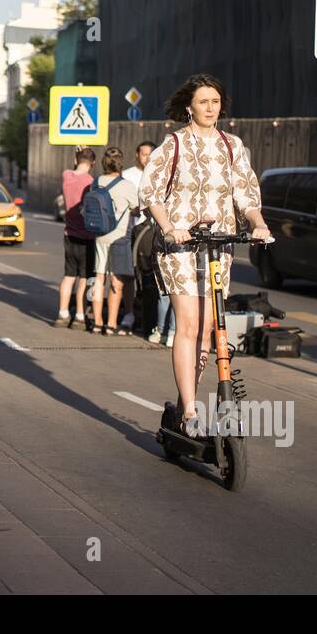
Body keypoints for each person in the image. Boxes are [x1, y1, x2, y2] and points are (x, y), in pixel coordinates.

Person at [140, 74, 272, 439]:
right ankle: (189, 410)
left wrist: (258, 225)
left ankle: (192, 400)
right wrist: (168, 226)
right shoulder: (173, 145)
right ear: (190, 107)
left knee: (209, 330)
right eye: (203, 102)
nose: (210, 108)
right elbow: (150, 191)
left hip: (219, 246)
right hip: (179, 245)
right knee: (188, 323)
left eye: (215, 102)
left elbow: (247, 194)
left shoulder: (233, 146)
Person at [89, 147, 139, 336]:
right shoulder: (127, 186)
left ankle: (97, 322)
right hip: (119, 237)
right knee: (116, 281)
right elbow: (136, 209)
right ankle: (110, 323)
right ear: (121, 163)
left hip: (99, 236)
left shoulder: (96, 182)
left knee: (99, 278)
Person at [54, 146, 97, 329]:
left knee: (68, 275)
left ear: (76, 160)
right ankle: (79, 315)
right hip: (86, 236)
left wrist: (75, 151)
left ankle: (62, 313)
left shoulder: (67, 176)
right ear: (93, 164)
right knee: (83, 278)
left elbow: (72, 166)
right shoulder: (91, 182)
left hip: (69, 234)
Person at [119, 141, 155, 334]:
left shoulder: (160, 175)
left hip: (152, 234)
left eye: (150, 154)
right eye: (144, 154)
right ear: (137, 155)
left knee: (150, 277)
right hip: (131, 232)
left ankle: (150, 317)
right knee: (129, 275)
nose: (147, 157)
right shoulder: (127, 176)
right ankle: (129, 312)